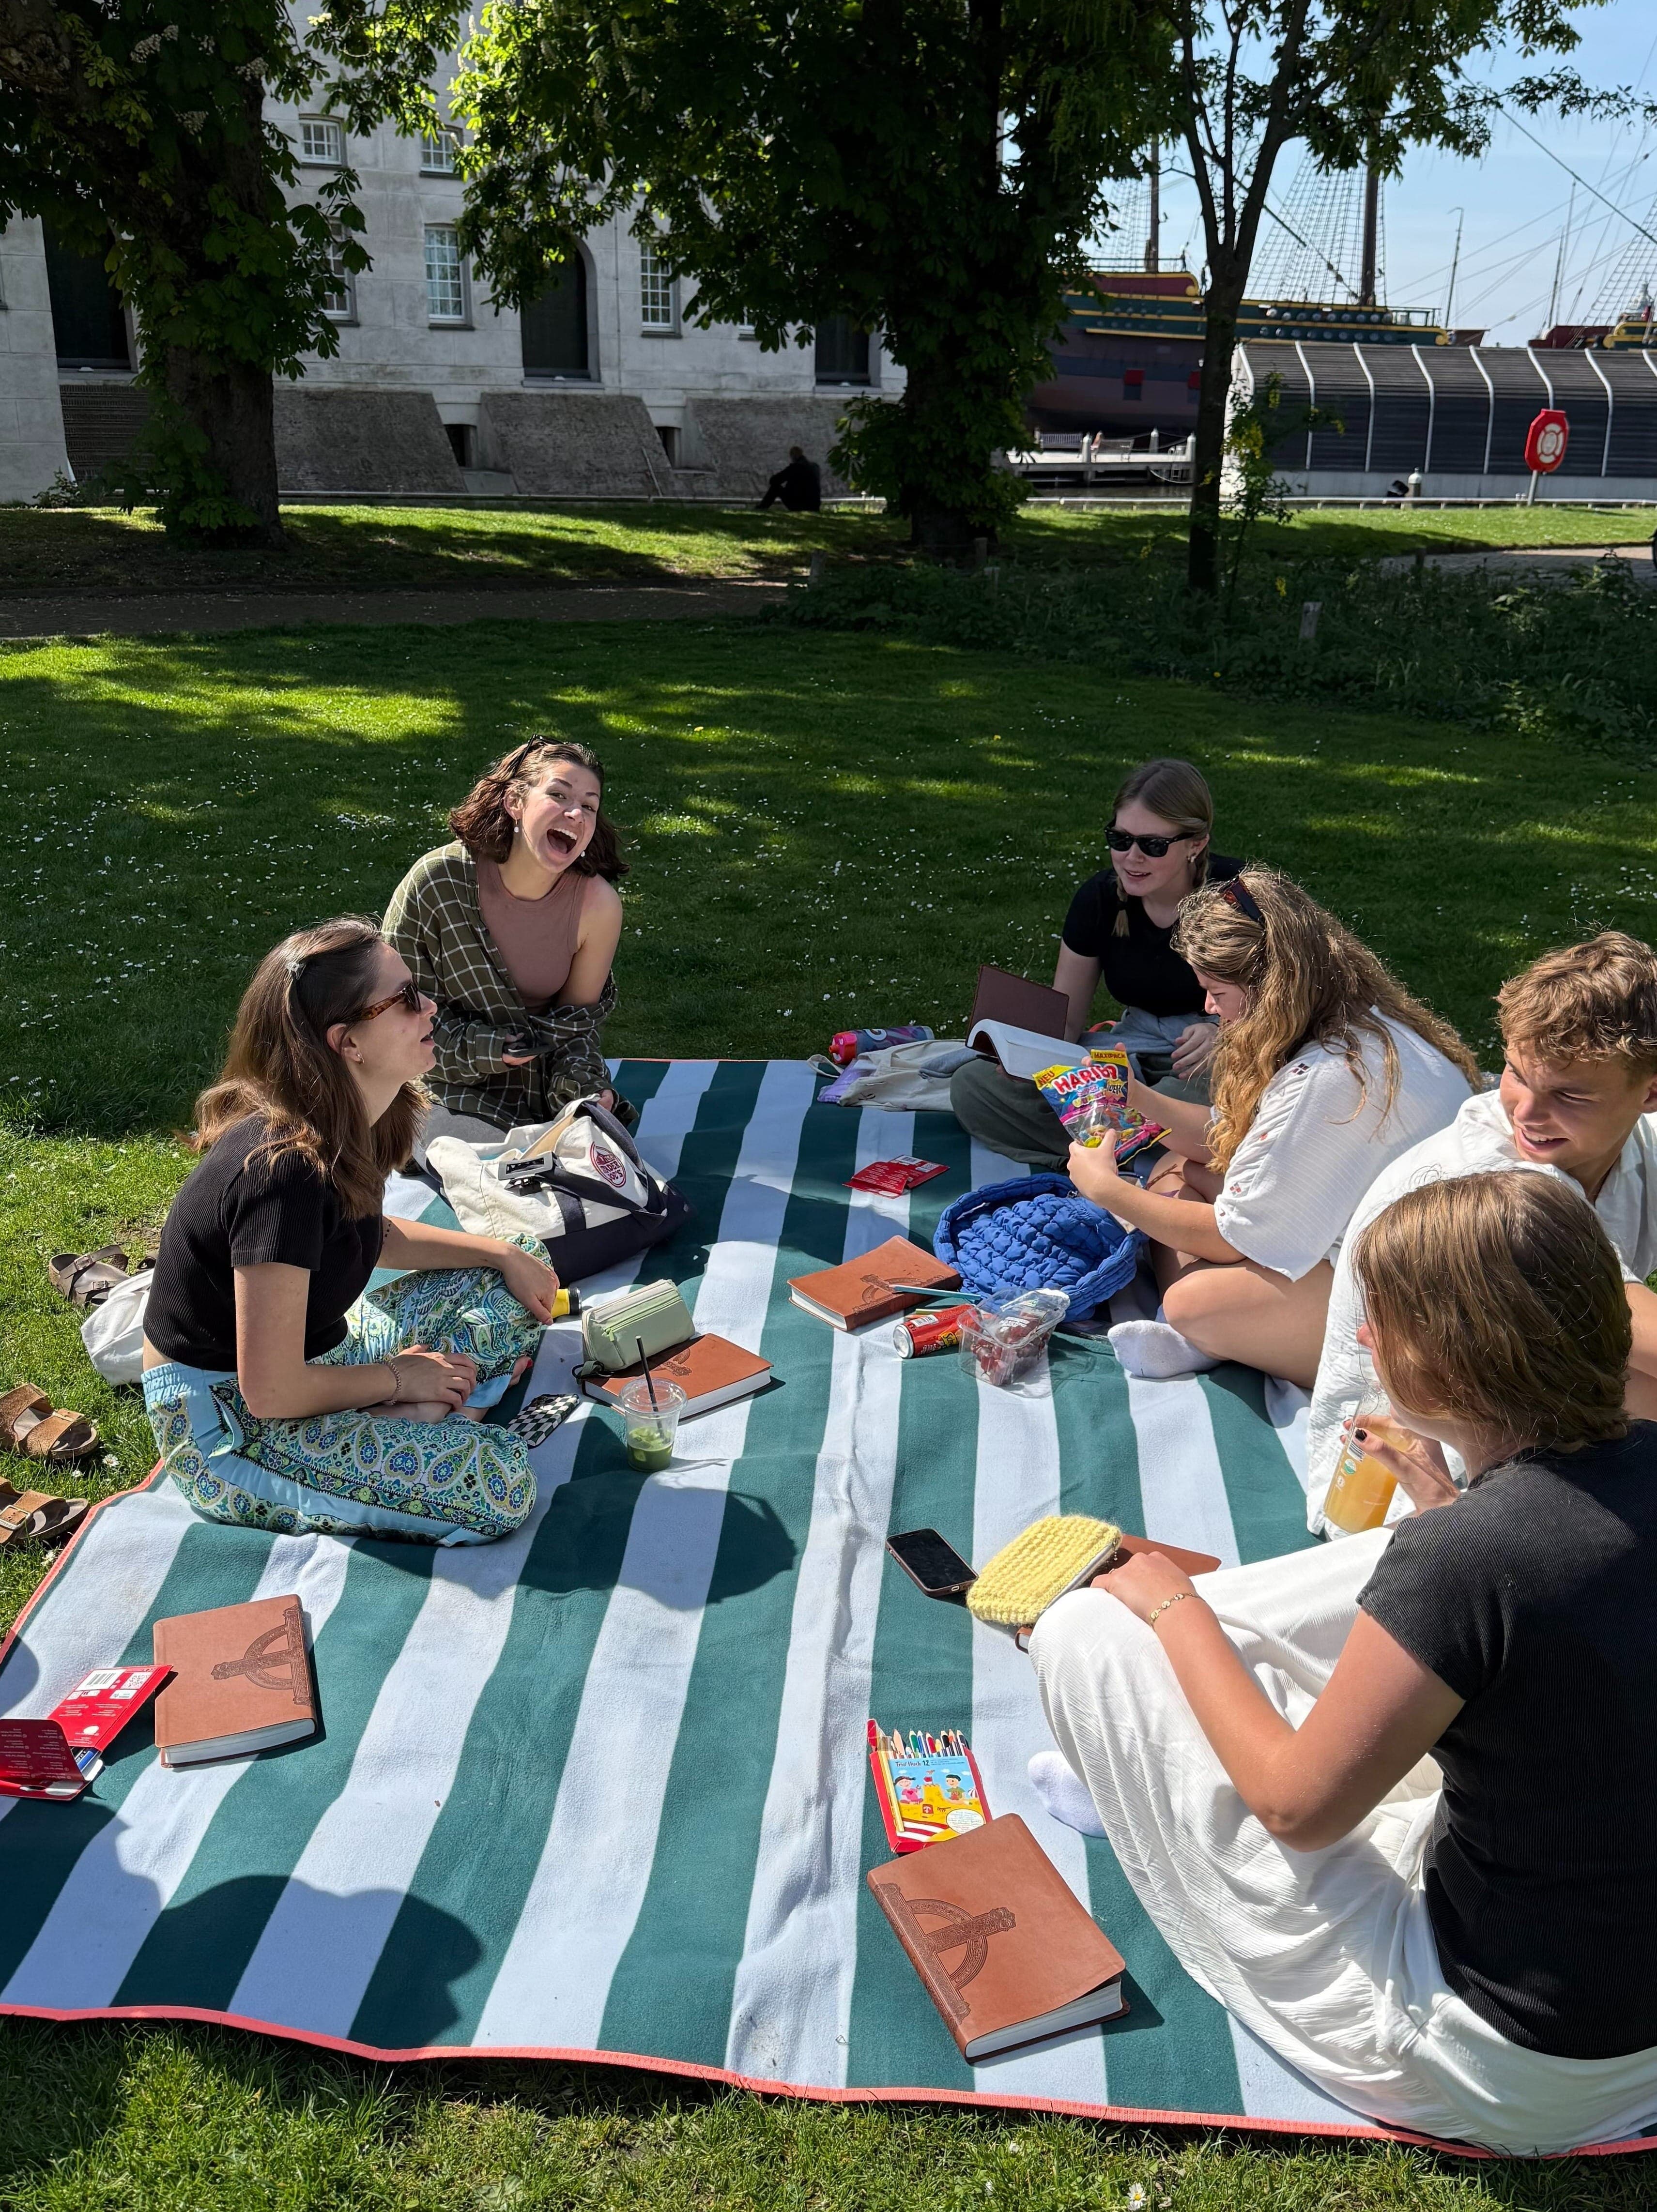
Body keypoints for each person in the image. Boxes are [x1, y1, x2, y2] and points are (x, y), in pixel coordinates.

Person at [1029, 1172, 1657, 2152]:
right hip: (1616, 2001)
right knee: (1392, 1559)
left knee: (1083, 1633)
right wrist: (1444, 1509)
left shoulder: (1468, 1561)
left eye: (1377, 1326)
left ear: (1439, 1368)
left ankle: (1136, 1737)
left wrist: (1176, 1606)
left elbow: (1298, 1808)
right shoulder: (1586, 1488)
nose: (1361, 1341)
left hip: (1513, 2063)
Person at [140, 918, 560, 1544]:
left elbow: (369, 1235)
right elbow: (272, 1390)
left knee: (520, 1265)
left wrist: (499, 1253)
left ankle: (412, 1418)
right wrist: (400, 1379)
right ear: (348, 1042)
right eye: (406, 999)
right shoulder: (280, 1173)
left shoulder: (348, 1118)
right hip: (231, 1421)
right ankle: (421, 1419)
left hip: (323, 1354)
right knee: (495, 1486)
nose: (431, 1006)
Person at [1304, 929, 1657, 1532]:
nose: (1524, 1111)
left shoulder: (1632, 1144)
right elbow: (1632, 1332)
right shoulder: (1495, 1183)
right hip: (1403, 1487)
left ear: (1650, 1093)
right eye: (1514, 1073)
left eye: (1567, 1094)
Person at [1071, 869, 1476, 1386]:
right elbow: (1221, 1142)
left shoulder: (1328, 1076)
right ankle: (1232, 1333)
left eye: (1217, 991)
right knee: (1180, 1165)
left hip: (1414, 1311)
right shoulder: (1359, 1026)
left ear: (1269, 989)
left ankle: (1200, 1335)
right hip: (1408, 1252)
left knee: (1191, 1300)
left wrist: (1105, 1188)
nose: (1208, 1008)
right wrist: (1135, 1094)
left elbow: (1226, 1236)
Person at [950, 757, 1242, 1168]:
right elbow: (1065, 1023)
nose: (1131, 857)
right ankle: (1140, 1152)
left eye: (1152, 845)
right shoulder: (1100, 899)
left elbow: (1288, 1004)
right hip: (1131, 1052)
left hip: (1216, 1056)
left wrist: (1222, 1032)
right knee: (972, 1088)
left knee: (1198, 1099)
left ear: (1196, 843)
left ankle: (1110, 1147)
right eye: (1120, 839)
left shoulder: (1237, 897)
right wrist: (1025, 1058)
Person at [384, 738, 629, 1150]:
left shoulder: (597, 906)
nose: (576, 813)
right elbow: (395, 1020)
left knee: (601, 1171)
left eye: (589, 805)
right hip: (440, 1086)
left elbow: (575, 1029)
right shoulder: (437, 884)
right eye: (558, 795)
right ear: (516, 801)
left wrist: (584, 1088)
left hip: (545, 1093)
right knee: (499, 1172)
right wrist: (491, 1049)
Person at [756, 445, 822, 512]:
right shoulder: (815, 467)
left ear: (793, 456)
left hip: (800, 505)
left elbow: (774, 480)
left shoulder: (795, 467)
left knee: (775, 488)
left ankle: (762, 508)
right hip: (814, 506)